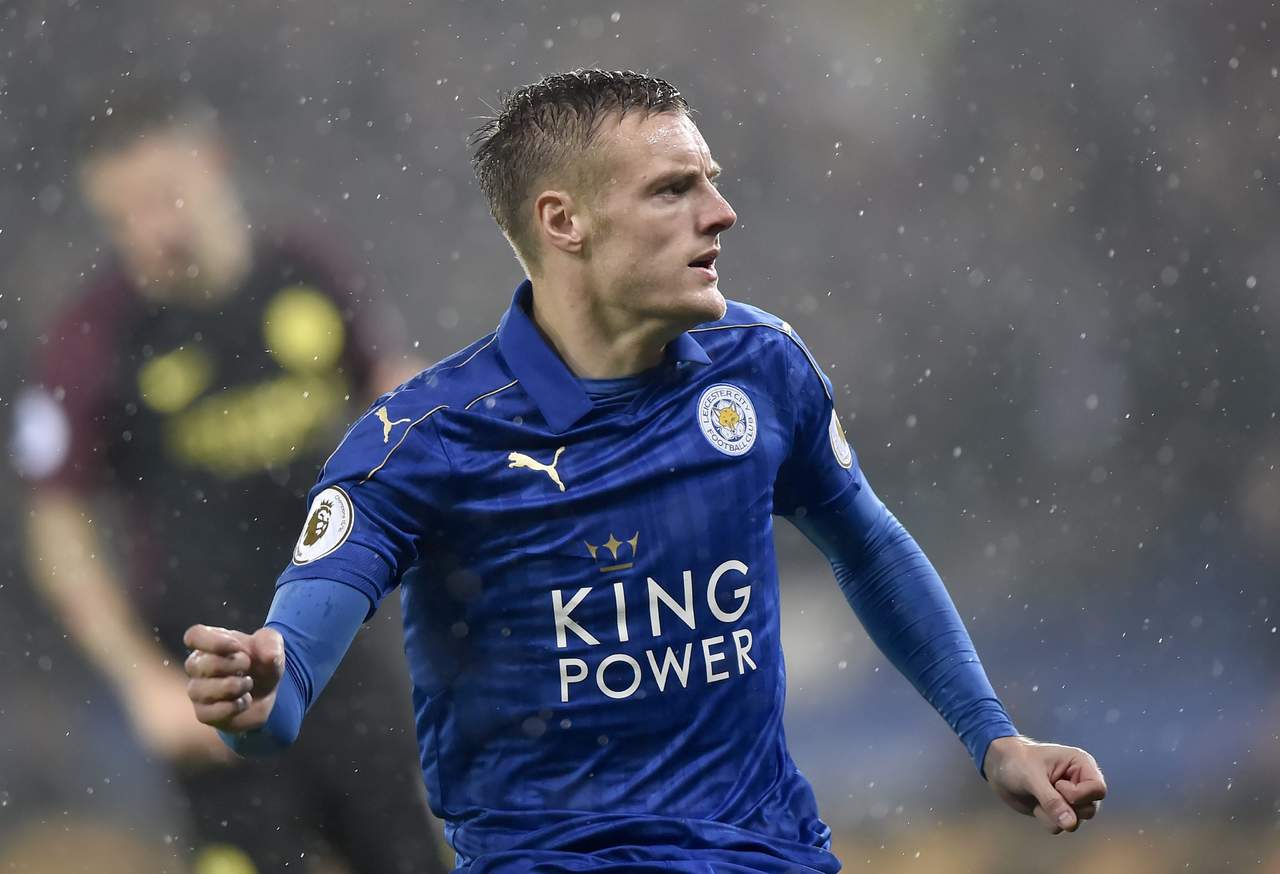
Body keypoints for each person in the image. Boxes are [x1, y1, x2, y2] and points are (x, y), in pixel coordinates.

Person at [182, 70, 1107, 872]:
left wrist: (993, 737)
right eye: (673, 190)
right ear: (564, 222)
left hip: (767, 854)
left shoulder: (761, 368)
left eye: (711, 181)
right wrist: (258, 699)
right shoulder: (425, 442)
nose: (720, 212)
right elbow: (286, 676)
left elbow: (866, 542)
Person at [13, 90, 446, 874]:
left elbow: (397, 400)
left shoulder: (306, 271)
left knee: (408, 855)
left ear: (212, 164)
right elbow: (57, 530)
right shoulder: (96, 335)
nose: (151, 230)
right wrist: (142, 683)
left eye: (162, 198)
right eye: (123, 215)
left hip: (341, 653)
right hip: (210, 684)